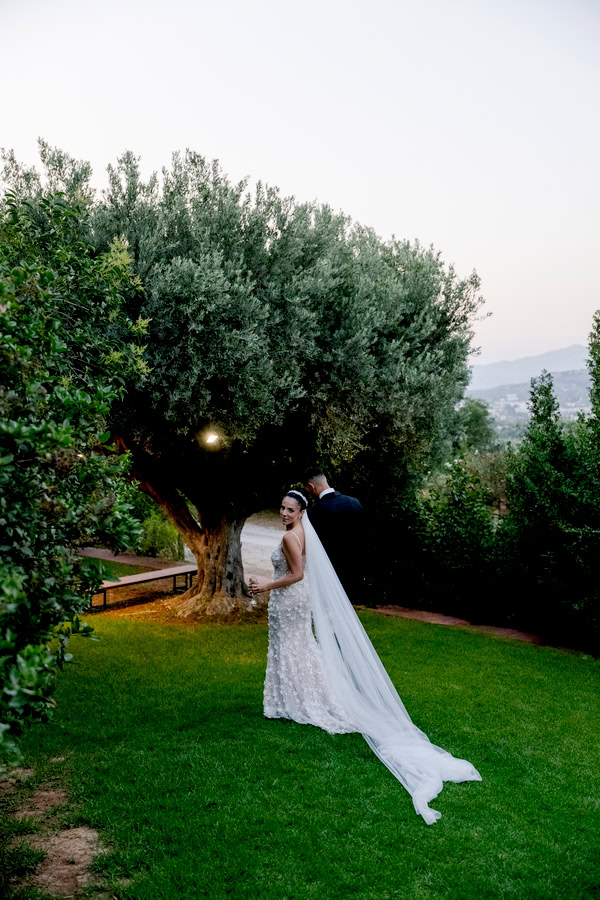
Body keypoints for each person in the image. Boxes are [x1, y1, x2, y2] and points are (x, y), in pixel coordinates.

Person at [249, 489, 482, 825]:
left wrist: (264, 587)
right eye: (281, 508)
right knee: (299, 649)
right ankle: (298, 697)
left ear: (300, 512)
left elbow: (297, 573)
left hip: (289, 597)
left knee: (292, 649)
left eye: (289, 509)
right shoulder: (302, 531)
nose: (283, 513)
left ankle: (296, 701)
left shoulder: (289, 536)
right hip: (299, 599)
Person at [303, 468, 365, 602]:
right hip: (353, 573)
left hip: (328, 575)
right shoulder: (355, 503)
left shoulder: (317, 511)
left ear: (311, 487)